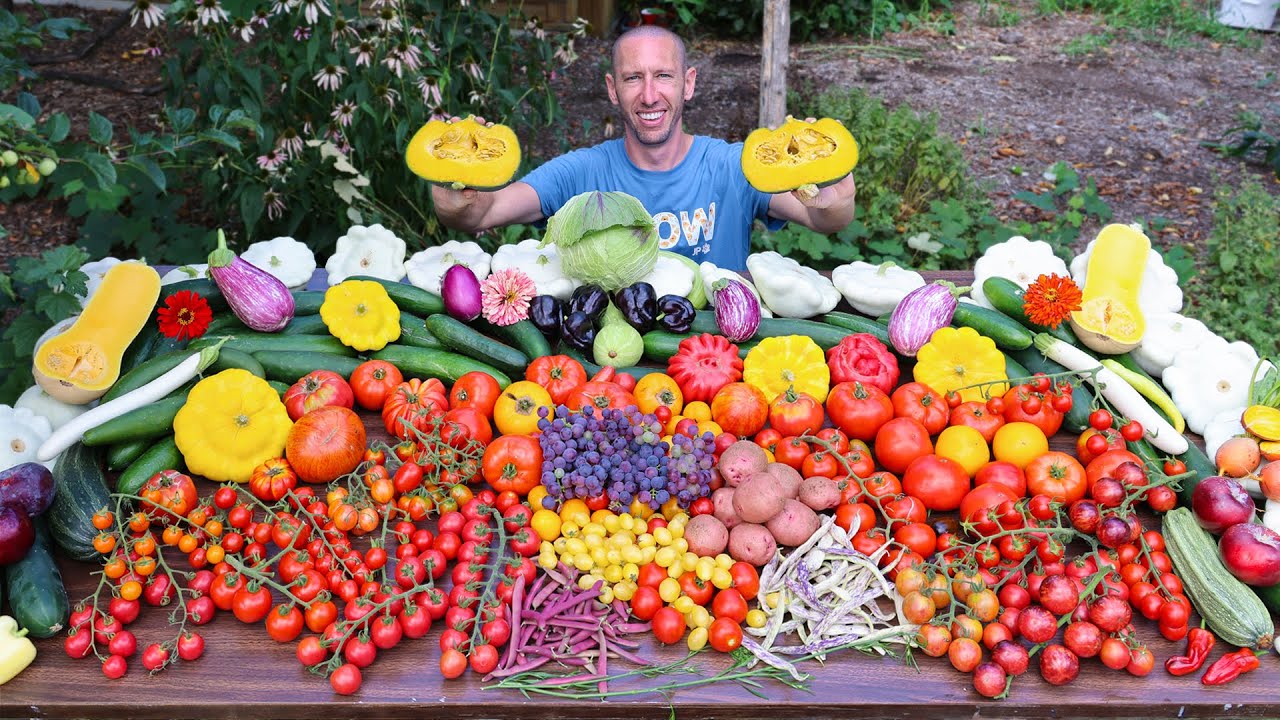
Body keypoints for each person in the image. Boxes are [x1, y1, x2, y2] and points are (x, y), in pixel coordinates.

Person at [430, 26, 857, 272]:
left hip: (719, 365)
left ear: (688, 83)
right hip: (612, 375)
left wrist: (836, 200)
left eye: (664, 77)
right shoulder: (582, 172)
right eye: (634, 78)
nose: (650, 95)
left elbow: (822, 219)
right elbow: (481, 213)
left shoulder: (733, 167)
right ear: (613, 90)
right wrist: (456, 196)